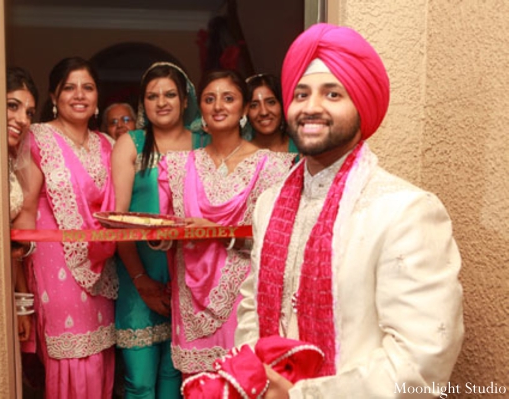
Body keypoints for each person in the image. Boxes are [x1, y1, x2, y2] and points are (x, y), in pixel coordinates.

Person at [235, 23, 464, 398]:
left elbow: (421, 361)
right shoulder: (269, 203)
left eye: (333, 94)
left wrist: (298, 395)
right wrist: (253, 376)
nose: (311, 107)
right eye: (301, 93)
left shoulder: (406, 210)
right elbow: (250, 305)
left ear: (362, 104)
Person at [158, 70, 295, 376]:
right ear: (201, 110)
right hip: (189, 297)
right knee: (197, 388)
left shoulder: (273, 167)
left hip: (243, 296)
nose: (218, 105)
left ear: (245, 108)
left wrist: (219, 234)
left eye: (228, 98)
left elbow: (276, 243)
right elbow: (167, 233)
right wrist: (153, 235)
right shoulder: (177, 166)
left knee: (243, 383)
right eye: (210, 99)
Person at [13, 57, 118, 398]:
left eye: (87, 87)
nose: (79, 95)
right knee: (70, 357)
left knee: (98, 356)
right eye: (69, 87)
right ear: (54, 96)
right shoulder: (38, 137)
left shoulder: (109, 145)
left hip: (103, 269)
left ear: (97, 97)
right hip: (54, 267)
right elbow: (25, 213)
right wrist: (20, 296)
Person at [111, 62, 206, 398]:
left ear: (184, 100)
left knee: (174, 378)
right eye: (152, 96)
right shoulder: (131, 143)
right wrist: (142, 282)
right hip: (139, 272)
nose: (161, 102)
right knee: (139, 381)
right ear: (143, 104)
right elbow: (116, 220)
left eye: (169, 94)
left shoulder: (203, 143)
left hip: (192, 275)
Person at [6, 66, 38, 342]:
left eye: (29, 112)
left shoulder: (10, 162)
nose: (23, 119)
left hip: (4, 281)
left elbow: (13, 245)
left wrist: (22, 307)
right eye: (12, 106)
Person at [245, 73, 298, 154]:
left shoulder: (302, 148)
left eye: (271, 102)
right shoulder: (241, 158)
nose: (264, 112)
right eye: (254, 105)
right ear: (245, 111)